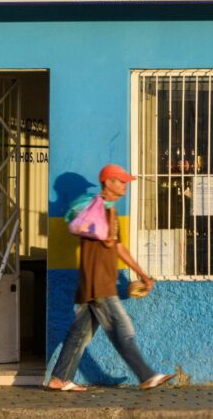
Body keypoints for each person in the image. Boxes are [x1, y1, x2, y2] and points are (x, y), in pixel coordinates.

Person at [44, 163, 173, 391]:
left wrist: (142, 274)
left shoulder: (111, 210)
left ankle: (60, 378)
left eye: (125, 181)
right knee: (122, 329)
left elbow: (118, 247)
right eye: (121, 181)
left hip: (98, 282)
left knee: (79, 334)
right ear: (108, 182)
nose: (125, 185)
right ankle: (146, 375)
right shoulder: (95, 209)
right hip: (98, 282)